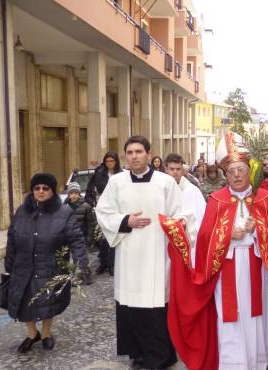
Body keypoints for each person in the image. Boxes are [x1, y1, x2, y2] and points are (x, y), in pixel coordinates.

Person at [163, 131, 268, 370]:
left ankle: (257, 363)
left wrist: (258, 232)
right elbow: (204, 241)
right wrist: (227, 236)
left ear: (248, 171)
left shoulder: (265, 200)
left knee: (257, 317)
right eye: (231, 171)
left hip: (258, 272)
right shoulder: (216, 200)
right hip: (227, 271)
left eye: (240, 170)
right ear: (225, 174)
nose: (236, 175)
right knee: (230, 319)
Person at [96, 136, 188, 369]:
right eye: (129, 152)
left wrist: (179, 224)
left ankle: (161, 357)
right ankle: (138, 354)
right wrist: (127, 221)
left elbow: (181, 213)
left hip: (157, 254)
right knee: (131, 307)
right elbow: (103, 212)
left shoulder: (165, 182)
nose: (134, 156)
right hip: (128, 253)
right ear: (125, 155)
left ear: (149, 153)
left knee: (157, 307)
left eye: (139, 151)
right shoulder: (116, 182)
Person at [5, 173, 89, 353]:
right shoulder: (22, 211)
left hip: (51, 265)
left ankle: (45, 334)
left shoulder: (64, 213)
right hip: (23, 266)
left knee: (47, 302)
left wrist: (81, 263)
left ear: (52, 191)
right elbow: (11, 237)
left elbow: (76, 239)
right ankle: (31, 333)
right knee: (24, 301)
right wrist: (9, 261)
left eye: (45, 188)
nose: (41, 191)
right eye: (37, 188)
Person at [85, 151, 122, 275]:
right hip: (101, 208)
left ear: (116, 162)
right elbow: (89, 192)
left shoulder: (121, 175)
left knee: (113, 236)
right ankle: (103, 262)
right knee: (101, 238)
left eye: (112, 161)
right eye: (107, 161)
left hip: (117, 209)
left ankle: (112, 264)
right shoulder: (99, 174)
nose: (110, 163)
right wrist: (93, 204)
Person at [165, 153, 206, 248]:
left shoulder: (193, 190)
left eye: (178, 169)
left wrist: (188, 223)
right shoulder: (160, 190)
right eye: (172, 169)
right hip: (166, 242)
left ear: (182, 170)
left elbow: (202, 217)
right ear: (166, 169)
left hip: (188, 243)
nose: (175, 172)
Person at [64, 182, 94, 285]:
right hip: (70, 237)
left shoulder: (86, 206)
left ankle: (87, 274)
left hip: (82, 236)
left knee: (84, 257)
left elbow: (91, 224)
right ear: (68, 194)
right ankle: (76, 276)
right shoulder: (64, 207)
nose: (74, 195)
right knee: (74, 258)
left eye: (76, 193)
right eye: (71, 193)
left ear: (79, 194)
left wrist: (90, 237)